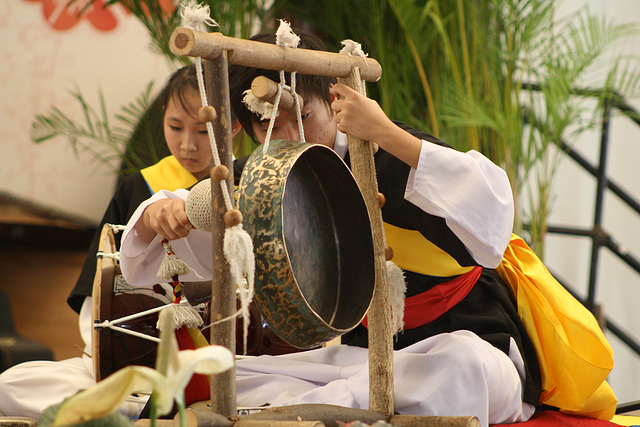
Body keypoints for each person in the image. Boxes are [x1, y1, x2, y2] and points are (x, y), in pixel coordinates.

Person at [118, 30, 542, 427]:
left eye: (303, 116)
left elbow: (492, 222)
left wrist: (386, 133)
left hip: (468, 340)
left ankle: (338, 404)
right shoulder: (266, 173)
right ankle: (343, 402)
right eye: (268, 126)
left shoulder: (389, 152)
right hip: (361, 359)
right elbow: (173, 220)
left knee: (461, 368)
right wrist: (162, 214)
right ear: (249, 129)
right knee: (227, 372)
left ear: (334, 100)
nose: (289, 136)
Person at [0, 64, 241, 420]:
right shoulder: (140, 188)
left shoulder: (246, 186)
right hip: (139, 351)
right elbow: (103, 281)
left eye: (203, 131)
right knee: (11, 385)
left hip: (232, 357)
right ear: (162, 117)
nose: (187, 145)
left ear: (233, 127)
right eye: (175, 127)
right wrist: (107, 348)